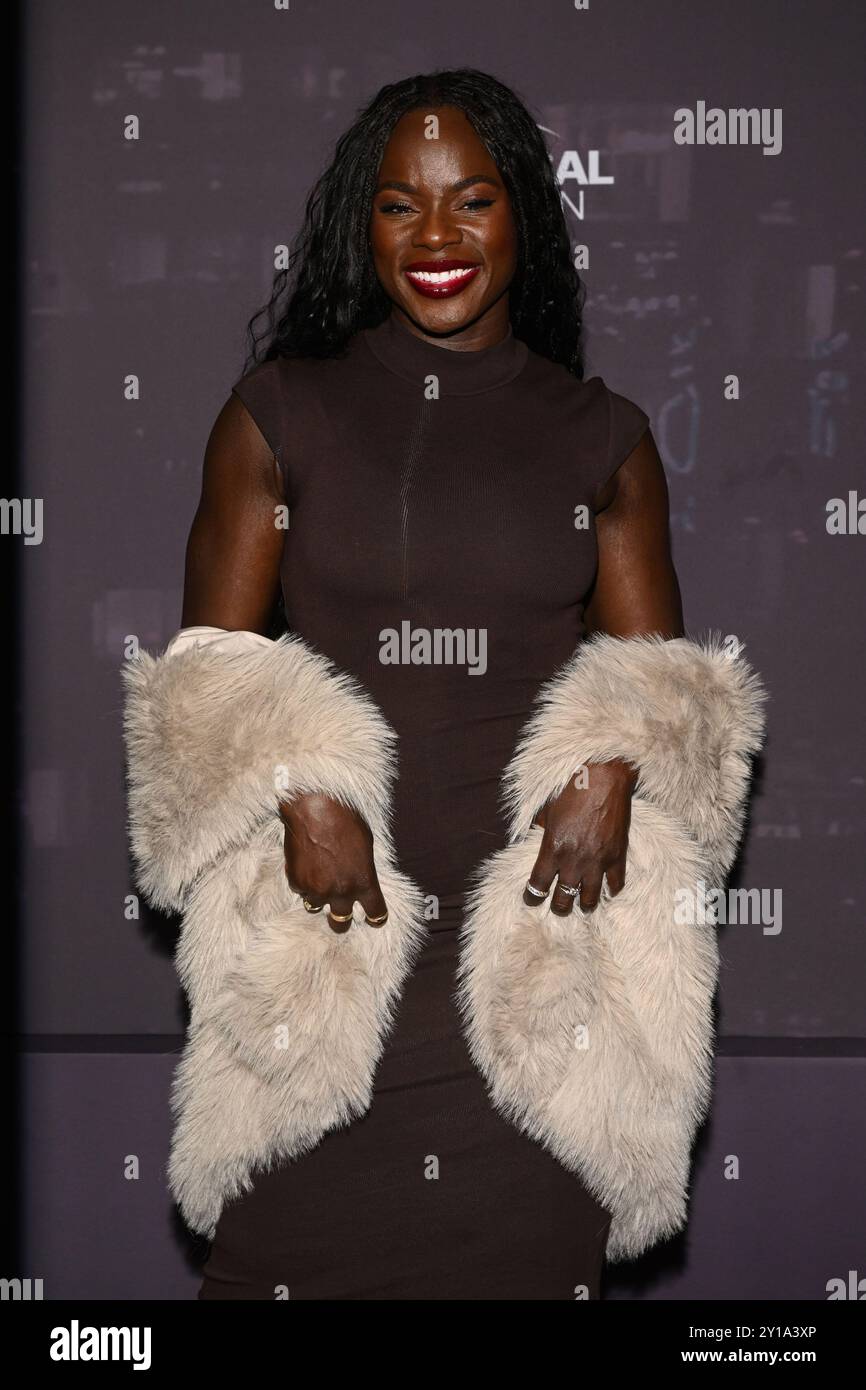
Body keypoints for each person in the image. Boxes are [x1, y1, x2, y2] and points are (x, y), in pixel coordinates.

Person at [121, 68, 765, 1301]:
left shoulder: (602, 437)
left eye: (469, 201)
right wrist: (296, 782)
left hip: (533, 984)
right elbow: (199, 688)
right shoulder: (275, 417)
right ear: (360, 229)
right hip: (326, 963)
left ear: (522, 212)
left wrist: (609, 767)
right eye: (399, 207)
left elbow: (665, 693)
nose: (435, 238)